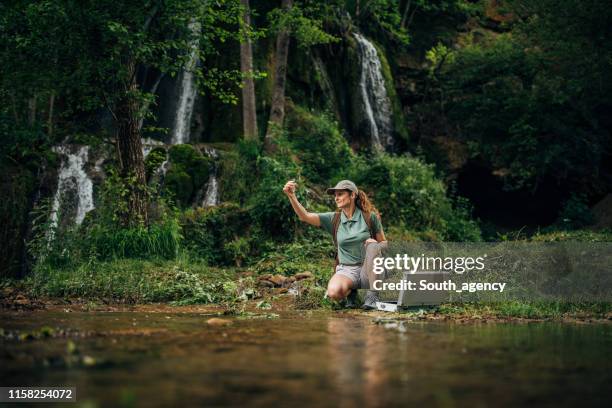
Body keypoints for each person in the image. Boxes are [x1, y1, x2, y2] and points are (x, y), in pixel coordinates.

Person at [283, 179, 387, 309]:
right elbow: (305, 216)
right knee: (333, 292)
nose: (336, 198)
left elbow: (384, 243)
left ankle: (373, 296)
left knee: (373, 246)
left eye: (340, 194)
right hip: (347, 270)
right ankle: (352, 292)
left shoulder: (369, 217)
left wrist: (375, 244)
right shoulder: (334, 219)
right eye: (335, 195)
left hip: (370, 270)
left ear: (352, 195)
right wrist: (291, 196)